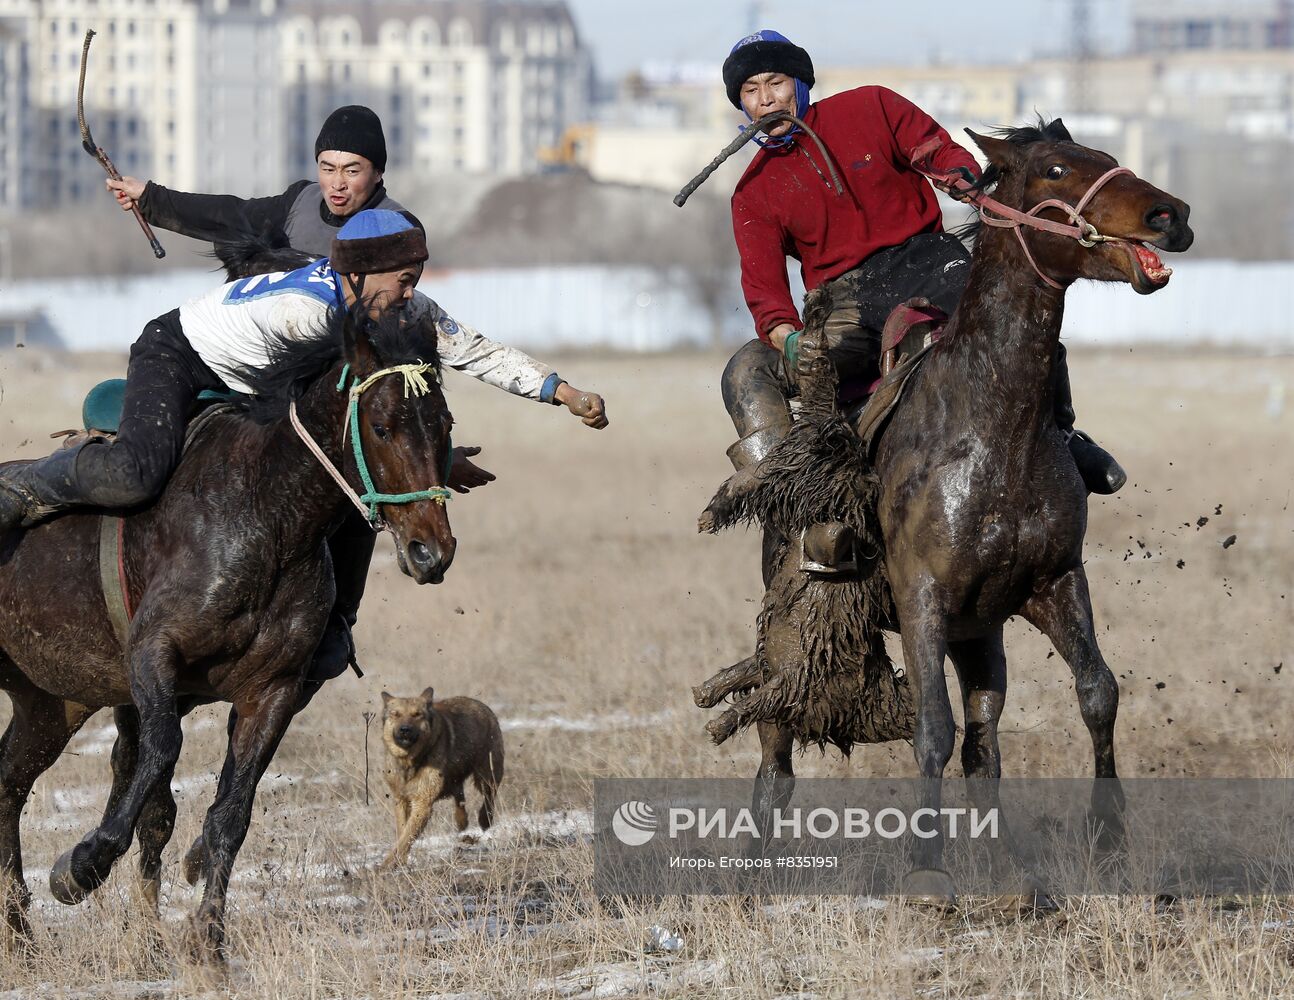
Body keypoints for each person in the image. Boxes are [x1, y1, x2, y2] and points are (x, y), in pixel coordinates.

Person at [0, 211, 608, 686]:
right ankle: (21, 488)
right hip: (181, 353)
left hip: (251, 378)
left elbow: (474, 350)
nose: (412, 293)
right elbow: (304, 418)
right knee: (136, 472)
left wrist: (561, 391)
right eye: (404, 280)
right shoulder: (306, 313)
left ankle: (331, 626)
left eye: (416, 280)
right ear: (361, 275)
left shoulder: (394, 304)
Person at [716, 31, 1126, 569]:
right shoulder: (752, 192)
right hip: (843, 301)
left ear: (800, 84)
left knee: (1017, 324)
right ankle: (803, 506)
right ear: (741, 103)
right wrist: (789, 341)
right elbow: (766, 297)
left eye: (776, 83)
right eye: (751, 90)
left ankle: (1065, 436)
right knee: (746, 369)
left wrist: (958, 175)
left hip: (930, 263)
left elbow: (934, 149)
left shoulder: (871, 106)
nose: (767, 99)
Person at [107, 105, 415, 256]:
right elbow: (231, 214)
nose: (337, 183)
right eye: (327, 168)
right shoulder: (300, 200)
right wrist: (149, 197)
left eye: (351, 170)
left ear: (377, 173)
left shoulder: (400, 227)